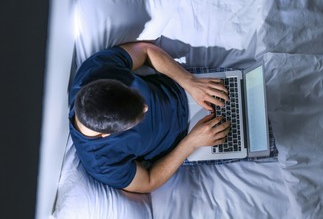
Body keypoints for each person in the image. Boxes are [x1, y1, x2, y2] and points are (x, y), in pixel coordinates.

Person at [69, 41, 230, 193]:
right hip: (187, 139)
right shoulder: (101, 163)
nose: (146, 107)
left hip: (185, 86)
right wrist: (191, 143)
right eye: (138, 116)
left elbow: (145, 51)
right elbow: (148, 181)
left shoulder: (96, 70)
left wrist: (190, 82)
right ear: (108, 134)